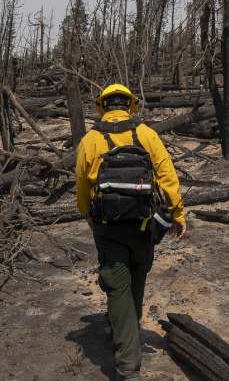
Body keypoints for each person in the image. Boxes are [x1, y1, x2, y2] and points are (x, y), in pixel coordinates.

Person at [76, 84, 186, 380]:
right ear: (129, 105)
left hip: (107, 227)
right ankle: (127, 332)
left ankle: (127, 364)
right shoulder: (147, 135)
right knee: (136, 278)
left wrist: (88, 216)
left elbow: (83, 189)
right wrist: (178, 214)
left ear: (102, 106)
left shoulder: (90, 140)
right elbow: (167, 175)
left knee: (117, 286)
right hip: (143, 224)